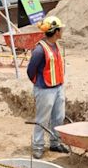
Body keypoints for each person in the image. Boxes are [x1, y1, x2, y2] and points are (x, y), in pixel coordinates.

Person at [27, 16, 69, 159]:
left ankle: (55, 142)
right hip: (45, 89)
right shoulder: (39, 50)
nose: (62, 31)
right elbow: (30, 71)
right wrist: (39, 84)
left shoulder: (56, 44)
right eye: (60, 29)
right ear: (56, 31)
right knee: (42, 119)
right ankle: (38, 146)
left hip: (58, 87)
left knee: (59, 117)